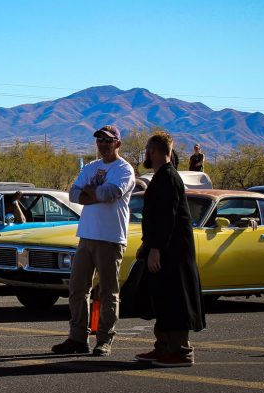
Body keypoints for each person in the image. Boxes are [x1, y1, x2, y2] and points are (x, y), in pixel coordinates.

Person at [52, 125, 135, 357]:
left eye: (108, 141)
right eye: (100, 141)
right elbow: (73, 194)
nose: (103, 145)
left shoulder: (124, 169)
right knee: (78, 289)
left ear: (118, 144)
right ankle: (78, 337)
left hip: (110, 237)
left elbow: (112, 193)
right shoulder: (91, 167)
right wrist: (94, 192)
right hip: (86, 235)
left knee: (108, 291)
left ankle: (105, 339)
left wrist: (90, 192)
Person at [134, 131, 205, 368]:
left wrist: (156, 248)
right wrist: (148, 245)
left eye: (147, 149)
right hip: (164, 250)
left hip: (173, 254)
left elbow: (167, 218)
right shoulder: (162, 176)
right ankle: (163, 347)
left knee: (176, 300)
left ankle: (180, 352)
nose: (146, 153)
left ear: (153, 151)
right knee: (162, 298)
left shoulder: (168, 178)